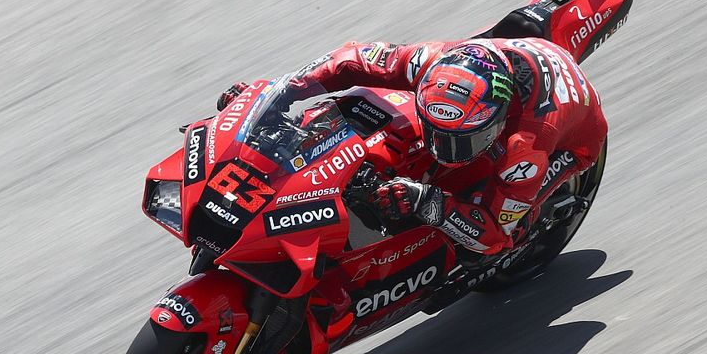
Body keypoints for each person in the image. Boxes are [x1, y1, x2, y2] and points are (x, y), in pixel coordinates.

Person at [218, 37, 607, 259]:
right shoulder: (434, 63)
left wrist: (430, 203)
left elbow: (494, 236)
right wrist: (280, 92)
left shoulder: (527, 145)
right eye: (439, 134)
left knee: (482, 246)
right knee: (379, 115)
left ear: (499, 120)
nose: (445, 151)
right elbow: (349, 60)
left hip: (575, 142)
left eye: (463, 140)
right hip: (506, 59)